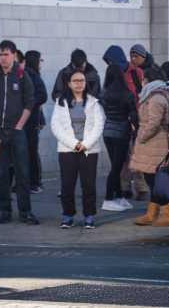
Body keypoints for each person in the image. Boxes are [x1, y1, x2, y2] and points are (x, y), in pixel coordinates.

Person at [0, 40, 39, 225]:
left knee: (22, 173)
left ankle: (25, 212)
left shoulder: (22, 76)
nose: (2, 58)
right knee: (1, 174)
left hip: (17, 133)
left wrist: (20, 125)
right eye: (0, 54)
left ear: (14, 55)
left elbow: (30, 103)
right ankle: (5, 211)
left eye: (6, 54)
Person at [51, 70, 105, 229]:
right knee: (67, 185)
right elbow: (56, 126)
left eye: (82, 80)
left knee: (88, 185)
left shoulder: (93, 102)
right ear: (68, 84)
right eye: (75, 81)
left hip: (89, 149)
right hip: (67, 149)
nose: (79, 83)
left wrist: (85, 144)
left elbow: (99, 125)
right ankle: (68, 215)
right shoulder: (61, 102)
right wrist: (74, 143)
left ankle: (89, 216)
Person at [130, 67, 169, 227]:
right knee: (154, 180)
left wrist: (141, 136)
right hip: (152, 143)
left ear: (148, 80)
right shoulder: (157, 93)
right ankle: (152, 212)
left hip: (154, 143)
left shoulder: (156, 97)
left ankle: (167, 213)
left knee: (155, 180)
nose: (142, 81)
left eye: (144, 78)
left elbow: (154, 122)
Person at [103, 45, 149, 200]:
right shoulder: (113, 74)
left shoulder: (137, 72)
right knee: (122, 158)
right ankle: (124, 187)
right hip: (121, 120)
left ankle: (141, 187)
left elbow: (141, 95)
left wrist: (138, 118)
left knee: (136, 154)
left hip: (135, 117)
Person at [100, 64, 138, 212]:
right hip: (122, 132)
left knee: (115, 166)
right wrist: (136, 128)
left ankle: (119, 197)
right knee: (117, 167)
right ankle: (109, 198)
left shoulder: (104, 93)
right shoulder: (127, 93)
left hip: (107, 132)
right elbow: (133, 114)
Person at [24, 50, 48, 194]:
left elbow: (41, 98)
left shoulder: (30, 75)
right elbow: (42, 97)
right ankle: (34, 181)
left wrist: (28, 105)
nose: (41, 64)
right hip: (31, 121)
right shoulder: (32, 75)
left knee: (30, 152)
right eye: (40, 61)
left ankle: (34, 181)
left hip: (31, 120)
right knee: (31, 152)